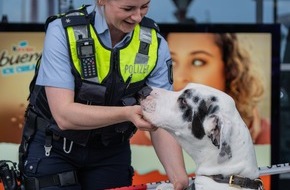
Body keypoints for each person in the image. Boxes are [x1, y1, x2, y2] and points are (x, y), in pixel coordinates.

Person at [18, 1, 189, 189]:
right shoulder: (63, 31)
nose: (138, 17)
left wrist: (179, 179)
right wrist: (126, 114)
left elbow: (162, 120)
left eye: (144, 6)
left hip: (111, 150)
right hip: (54, 147)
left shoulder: (155, 43)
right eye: (128, 8)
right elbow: (64, 115)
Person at [167, 32, 270, 144]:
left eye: (198, 62)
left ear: (229, 69)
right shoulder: (148, 134)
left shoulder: (265, 136)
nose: (180, 77)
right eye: (172, 61)